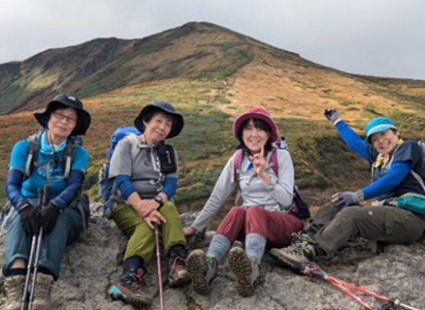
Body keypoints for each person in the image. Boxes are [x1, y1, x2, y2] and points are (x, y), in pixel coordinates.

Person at [270, 108, 425, 272]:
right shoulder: (379, 158)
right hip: (388, 214)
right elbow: (354, 142)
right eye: (374, 139)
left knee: (351, 216)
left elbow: (393, 178)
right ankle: (304, 239)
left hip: (409, 219)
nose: (380, 141)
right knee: (338, 202)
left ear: (396, 133)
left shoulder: (408, 147)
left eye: (384, 134)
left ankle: (308, 252)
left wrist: (359, 196)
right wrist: (337, 120)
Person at [183, 107, 304, 297]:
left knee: (253, 210)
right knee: (237, 211)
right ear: (241, 134)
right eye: (248, 128)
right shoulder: (238, 159)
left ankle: (252, 267)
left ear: (269, 134)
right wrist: (195, 227)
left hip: (285, 222)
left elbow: (286, 199)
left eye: (260, 128)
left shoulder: (281, 156)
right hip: (255, 229)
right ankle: (210, 264)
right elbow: (217, 196)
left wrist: (264, 175)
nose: (254, 134)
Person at [3, 93, 91, 310]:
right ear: (48, 118)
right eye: (60, 115)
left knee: (58, 220)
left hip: (65, 207)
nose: (64, 121)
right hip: (30, 201)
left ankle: (43, 283)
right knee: (17, 220)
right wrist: (23, 208)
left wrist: (55, 206)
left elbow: (73, 186)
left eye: (70, 119)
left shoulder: (79, 153)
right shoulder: (24, 147)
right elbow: (12, 185)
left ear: (75, 126)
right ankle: (15, 283)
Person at [107, 101, 189, 308]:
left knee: (169, 207)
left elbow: (171, 184)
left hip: (156, 202)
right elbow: (122, 180)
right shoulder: (127, 144)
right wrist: (142, 208)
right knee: (146, 225)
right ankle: (129, 276)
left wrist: (156, 202)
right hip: (125, 203)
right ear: (145, 121)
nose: (162, 127)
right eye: (158, 121)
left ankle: (177, 262)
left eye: (168, 124)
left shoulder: (169, 153)